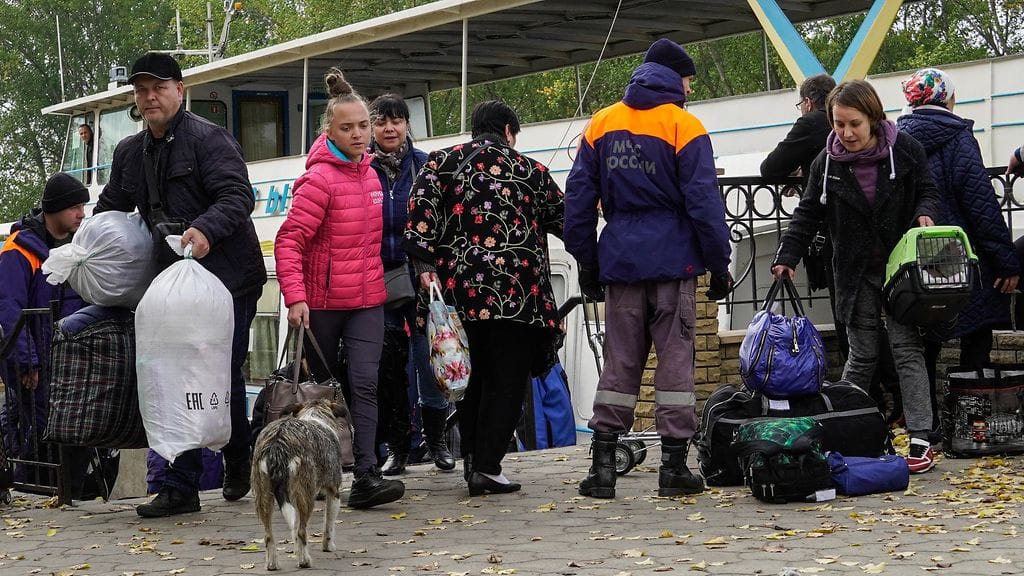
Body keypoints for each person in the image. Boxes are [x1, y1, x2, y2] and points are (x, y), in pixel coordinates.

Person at [94, 52, 268, 516]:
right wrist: (81, 243)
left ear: (179, 90)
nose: (150, 97)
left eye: (159, 87)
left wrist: (206, 229)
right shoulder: (129, 152)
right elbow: (110, 209)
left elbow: (238, 196)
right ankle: (180, 486)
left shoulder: (209, 139)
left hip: (229, 279)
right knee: (173, 375)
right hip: (171, 287)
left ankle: (237, 455)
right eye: (141, 90)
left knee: (223, 373)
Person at [564, 38, 733, 500]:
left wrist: (587, 260)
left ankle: (602, 469)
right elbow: (704, 203)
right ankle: (674, 469)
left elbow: (578, 200)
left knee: (619, 361)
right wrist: (719, 265)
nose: (690, 90)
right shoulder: (684, 125)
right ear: (675, 78)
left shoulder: (602, 123)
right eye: (689, 81)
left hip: (620, 260)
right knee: (675, 362)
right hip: (674, 262)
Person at [771, 79, 942, 474]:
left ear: (874, 119)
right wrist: (787, 255)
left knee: (906, 349)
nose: (846, 133)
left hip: (901, 269)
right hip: (854, 269)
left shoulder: (905, 149)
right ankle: (843, 429)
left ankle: (921, 436)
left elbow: (928, 190)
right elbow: (807, 213)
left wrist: (925, 212)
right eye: (838, 124)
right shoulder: (825, 163)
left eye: (854, 124)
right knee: (861, 353)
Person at [404, 100, 564, 496]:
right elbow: (566, 220)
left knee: (469, 378)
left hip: (458, 293)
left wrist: (424, 265)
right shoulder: (532, 171)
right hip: (519, 297)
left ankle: (473, 460)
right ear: (509, 131)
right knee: (506, 381)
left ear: (475, 129)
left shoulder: (440, 163)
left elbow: (418, 218)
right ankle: (488, 467)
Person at [274, 68, 405, 509]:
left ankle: (366, 475)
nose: (359, 134)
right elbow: (289, 241)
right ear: (329, 131)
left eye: (364, 126)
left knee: (365, 385)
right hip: (324, 304)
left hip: (367, 300)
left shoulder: (371, 175)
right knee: (320, 394)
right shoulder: (319, 180)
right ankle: (315, 474)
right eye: (348, 128)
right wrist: (296, 297)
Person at [898, 68, 1020, 428]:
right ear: (948, 98)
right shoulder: (958, 137)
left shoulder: (895, 140)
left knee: (924, 340)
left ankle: (927, 423)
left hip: (916, 260)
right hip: (962, 256)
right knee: (976, 332)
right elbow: (980, 204)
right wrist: (1006, 262)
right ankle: (973, 419)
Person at [368, 93, 455, 476]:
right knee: (389, 369)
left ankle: (437, 442)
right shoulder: (362, 168)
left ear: (406, 125)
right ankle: (398, 447)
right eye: (381, 121)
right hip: (375, 279)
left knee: (429, 359)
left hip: (420, 277)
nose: (390, 128)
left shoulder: (425, 166)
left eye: (397, 120)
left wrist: (429, 265)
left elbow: (440, 223)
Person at [0, 173, 87, 486]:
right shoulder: (18, 250)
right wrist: (27, 362)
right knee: (42, 430)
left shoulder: (76, 247)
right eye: (74, 207)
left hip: (67, 362)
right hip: (36, 365)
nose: (81, 213)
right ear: (54, 209)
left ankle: (62, 490)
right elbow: (10, 309)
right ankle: (37, 488)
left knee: (61, 431)